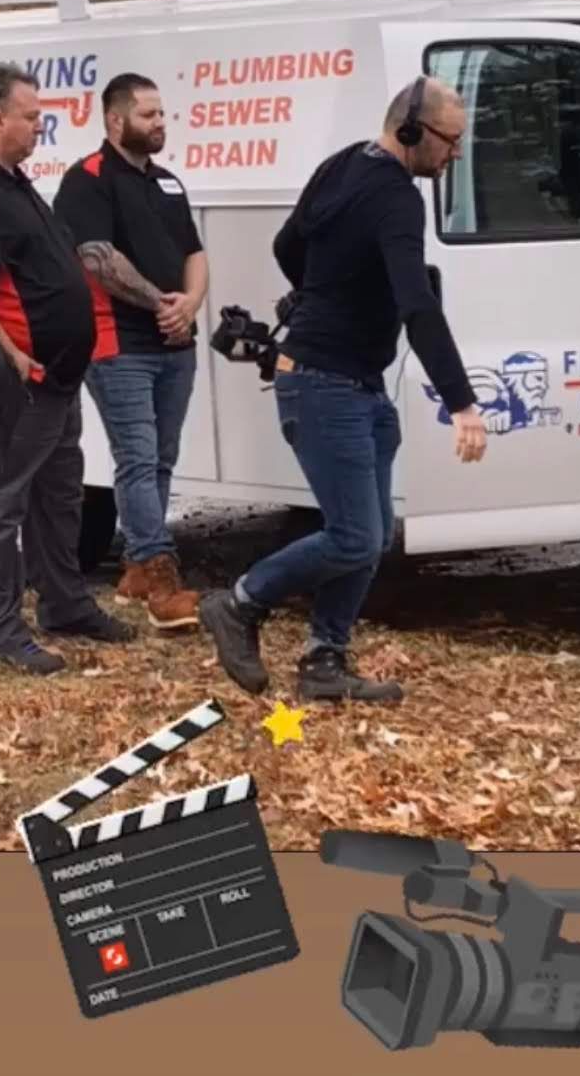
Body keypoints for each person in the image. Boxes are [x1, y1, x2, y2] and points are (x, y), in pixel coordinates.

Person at [199, 76, 488, 703]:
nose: (455, 154)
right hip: (324, 385)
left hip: (354, 384)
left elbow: (286, 246)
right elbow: (418, 305)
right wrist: (461, 401)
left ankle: (325, 660)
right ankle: (239, 604)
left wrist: (329, 290)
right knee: (355, 535)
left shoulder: (341, 165)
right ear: (411, 131)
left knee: (371, 532)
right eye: (450, 140)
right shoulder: (397, 199)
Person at [0, 61, 134, 677]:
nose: (40, 125)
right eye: (31, 115)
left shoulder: (16, 183)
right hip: (17, 387)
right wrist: (14, 358)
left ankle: (65, 603)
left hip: (62, 381)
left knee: (59, 495)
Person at [53, 73, 206, 631]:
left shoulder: (168, 183)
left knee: (161, 457)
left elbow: (195, 252)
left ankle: (139, 566)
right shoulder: (87, 180)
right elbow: (97, 259)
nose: (159, 123)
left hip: (175, 343)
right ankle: (160, 574)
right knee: (137, 457)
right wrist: (158, 304)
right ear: (115, 121)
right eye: (147, 115)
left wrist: (189, 303)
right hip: (118, 344)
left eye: (162, 113)